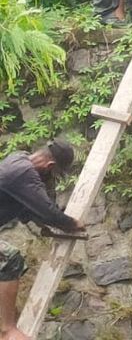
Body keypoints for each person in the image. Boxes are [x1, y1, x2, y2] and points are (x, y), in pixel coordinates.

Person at [1, 140, 84, 340]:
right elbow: (48, 212)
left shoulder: (18, 158)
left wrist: (51, 222)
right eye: (54, 175)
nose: (52, 180)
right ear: (50, 166)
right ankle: (7, 331)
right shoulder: (24, 174)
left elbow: (34, 209)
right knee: (10, 259)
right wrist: (73, 223)